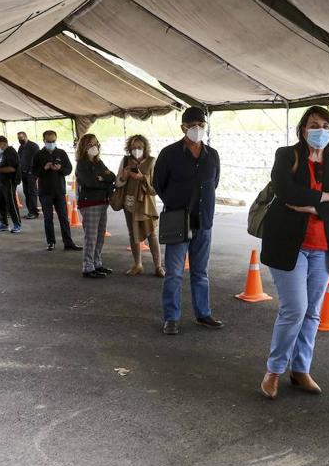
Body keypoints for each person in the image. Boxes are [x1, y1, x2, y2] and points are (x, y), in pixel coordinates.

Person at [258, 106, 329, 400]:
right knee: (295, 309)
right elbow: (285, 191)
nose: (320, 129)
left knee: (312, 313)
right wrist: (326, 197)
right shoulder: (287, 155)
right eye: (314, 124)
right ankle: (274, 370)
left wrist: (312, 206)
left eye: (325, 125)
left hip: (323, 247)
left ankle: (300, 369)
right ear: (303, 129)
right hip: (289, 245)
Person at [153, 107, 223, 335]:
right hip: (177, 220)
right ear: (183, 127)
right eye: (192, 126)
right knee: (173, 272)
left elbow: (214, 183)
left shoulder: (212, 155)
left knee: (200, 272)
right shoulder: (169, 153)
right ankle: (171, 317)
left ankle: (203, 313)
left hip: (204, 221)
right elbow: (158, 184)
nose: (197, 129)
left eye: (201, 125)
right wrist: (175, 202)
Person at [116, 134, 162, 276]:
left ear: (145, 148)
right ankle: (137, 264)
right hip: (129, 203)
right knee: (132, 233)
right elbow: (118, 183)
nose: (136, 150)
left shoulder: (152, 162)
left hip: (146, 204)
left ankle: (158, 266)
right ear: (129, 148)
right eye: (133, 148)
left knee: (151, 234)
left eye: (139, 147)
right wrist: (124, 176)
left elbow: (156, 188)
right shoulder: (125, 161)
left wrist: (143, 178)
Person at [32, 130, 81, 252]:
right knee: (48, 218)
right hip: (45, 191)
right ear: (44, 141)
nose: (51, 143)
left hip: (59, 190)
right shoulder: (38, 154)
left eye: (53, 141)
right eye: (49, 141)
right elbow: (34, 172)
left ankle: (68, 242)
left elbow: (69, 169)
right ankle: (50, 242)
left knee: (64, 217)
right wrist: (45, 168)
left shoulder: (61, 153)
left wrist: (60, 168)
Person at [75, 134, 115, 278]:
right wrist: (103, 180)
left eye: (95, 144)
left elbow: (112, 177)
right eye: (90, 144)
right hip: (89, 203)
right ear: (83, 147)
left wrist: (102, 178)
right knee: (91, 237)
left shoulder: (99, 163)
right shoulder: (82, 164)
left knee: (100, 236)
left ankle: (97, 263)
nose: (94, 147)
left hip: (102, 202)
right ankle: (88, 266)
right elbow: (89, 183)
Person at [0, 136, 22, 233]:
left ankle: (17, 224)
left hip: (9, 181)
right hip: (1, 181)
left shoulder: (11, 152)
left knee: (11, 203)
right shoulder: (3, 153)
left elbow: (12, 168)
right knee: (0, 202)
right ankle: (4, 223)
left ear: (4, 143)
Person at [16, 131, 40, 219]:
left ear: (26, 136)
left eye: (21, 138)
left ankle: (34, 211)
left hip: (31, 173)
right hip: (23, 173)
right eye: (19, 138)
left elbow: (36, 159)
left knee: (32, 192)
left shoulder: (34, 146)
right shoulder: (21, 147)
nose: (20, 140)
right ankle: (30, 211)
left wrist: (31, 171)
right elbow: (19, 159)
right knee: (26, 192)